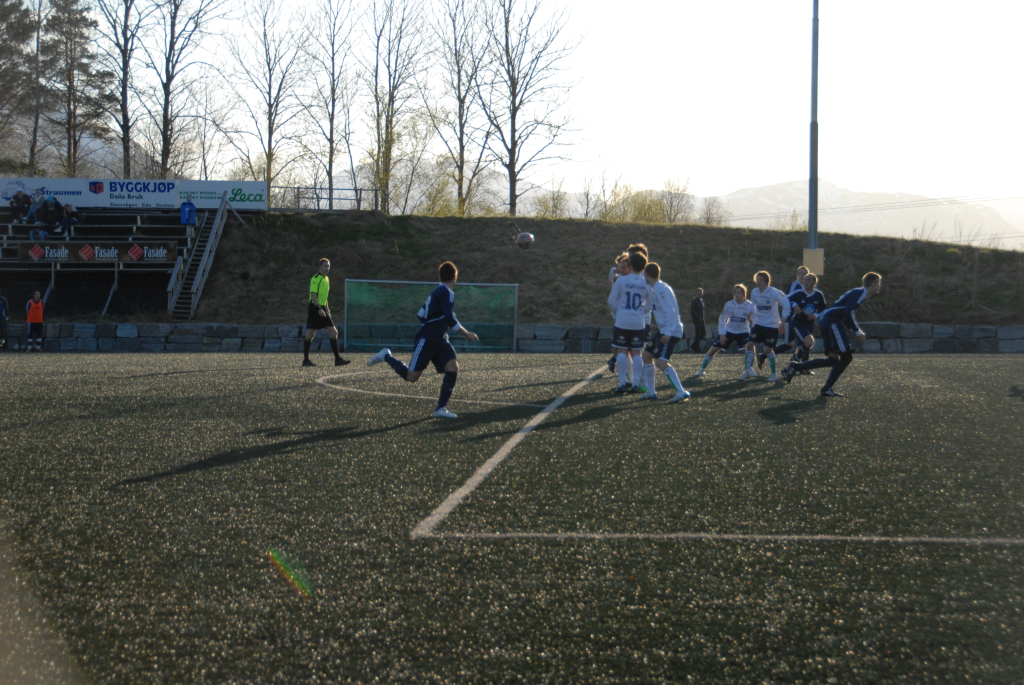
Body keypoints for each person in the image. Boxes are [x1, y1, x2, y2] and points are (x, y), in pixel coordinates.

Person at [367, 261, 480, 419]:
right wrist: (466, 333)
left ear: (440, 277)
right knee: (411, 377)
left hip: (441, 339)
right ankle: (386, 356)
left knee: (453, 367)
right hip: (428, 339)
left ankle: (440, 408)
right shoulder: (447, 292)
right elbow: (449, 318)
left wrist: (435, 322)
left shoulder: (437, 292)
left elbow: (420, 314)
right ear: (455, 277)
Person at [782, 272, 883, 397]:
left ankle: (796, 366)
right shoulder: (861, 292)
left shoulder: (859, 292)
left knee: (833, 359)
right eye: (878, 283)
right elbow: (848, 312)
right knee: (846, 357)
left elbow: (845, 314)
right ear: (873, 284)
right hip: (832, 322)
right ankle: (826, 388)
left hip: (829, 321)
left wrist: (854, 330)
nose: (879, 285)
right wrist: (857, 331)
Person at [639, 263, 690, 403]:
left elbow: (670, 312)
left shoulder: (661, 289)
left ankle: (681, 391)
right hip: (663, 330)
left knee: (661, 362)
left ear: (647, 274)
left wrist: (668, 332)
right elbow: (649, 307)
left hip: (671, 332)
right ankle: (650, 391)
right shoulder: (654, 289)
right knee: (646, 355)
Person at [607, 251, 650, 393]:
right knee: (637, 353)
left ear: (630, 265)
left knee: (622, 351)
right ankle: (636, 383)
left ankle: (622, 383)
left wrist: (618, 313)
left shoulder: (621, 280)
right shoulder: (646, 283)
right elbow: (650, 304)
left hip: (622, 321)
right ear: (643, 267)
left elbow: (611, 301)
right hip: (638, 321)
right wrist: (640, 312)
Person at [694, 284, 756, 379]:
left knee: (751, 347)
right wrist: (722, 333)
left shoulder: (749, 305)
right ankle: (702, 369)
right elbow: (722, 318)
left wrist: (755, 331)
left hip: (744, 332)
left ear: (744, 294)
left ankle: (749, 369)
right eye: (735, 292)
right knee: (714, 349)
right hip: (729, 331)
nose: (736, 294)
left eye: (739, 292)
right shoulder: (729, 304)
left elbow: (755, 320)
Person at [302, 258, 350, 367]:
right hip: (315, 307)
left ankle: (337, 359)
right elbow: (313, 295)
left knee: (334, 332)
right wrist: (318, 308)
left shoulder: (327, 279)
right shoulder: (315, 278)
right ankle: (306, 360)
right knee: (310, 334)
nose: (327, 268)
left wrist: (327, 310)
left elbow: (325, 297)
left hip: (323, 308)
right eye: (325, 266)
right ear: (319, 267)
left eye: (328, 266)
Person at [773, 272, 826, 370]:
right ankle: (795, 360)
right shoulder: (798, 293)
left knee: (804, 345)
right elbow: (785, 299)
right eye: (805, 280)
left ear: (814, 282)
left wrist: (816, 315)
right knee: (808, 343)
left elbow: (823, 309)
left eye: (808, 280)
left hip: (809, 324)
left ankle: (796, 365)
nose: (805, 282)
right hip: (797, 323)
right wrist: (794, 304)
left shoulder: (818, 295)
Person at [749, 271, 791, 381]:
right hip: (759, 324)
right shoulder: (754, 291)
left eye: (761, 280)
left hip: (772, 326)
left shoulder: (774, 292)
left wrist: (782, 322)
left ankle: (773, 374)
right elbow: (753, 306)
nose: (758, 282)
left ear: (766, 282)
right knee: (749, 344)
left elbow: (786, 304)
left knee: (768, 349)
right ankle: (748, 370)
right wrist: (751, 315)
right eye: (757, 280)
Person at [605, 252, 629, 373]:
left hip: (632, 315)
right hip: (619, 314)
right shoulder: (616, 275)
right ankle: (615, 359)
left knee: (632, 346)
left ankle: (617, 361)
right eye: (621, 266)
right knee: (617, 344)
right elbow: (612, 276)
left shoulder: (633, 277)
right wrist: (615, 314)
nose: (621, 268)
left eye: (624, 266)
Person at [689, 287, 706, 352]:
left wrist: (702, 318)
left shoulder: (701, 301)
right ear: (696, 293)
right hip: (697, 320)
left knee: (703, 334)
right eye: (699, 292)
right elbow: (692, 311)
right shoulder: (694, 301)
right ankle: (696, 347)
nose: (700, 293)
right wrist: (697, 318)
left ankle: (693, 345)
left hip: (702, 320)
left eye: (701, 292)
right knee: (698, 334)